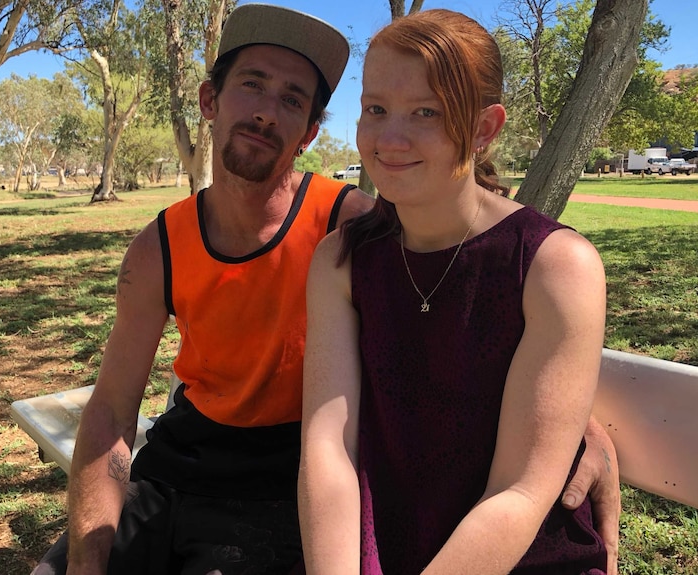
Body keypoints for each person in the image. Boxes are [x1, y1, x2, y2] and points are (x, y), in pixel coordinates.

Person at [32, 4, 619, 575]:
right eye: (252, 84)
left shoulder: (345, 224)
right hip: (193, 468)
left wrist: (573, 424)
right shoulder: (181, 248)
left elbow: (486, 337)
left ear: (312, 131)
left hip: (290, 488)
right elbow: (112, 408)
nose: (266, 112)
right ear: (210, 100)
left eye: (291, 100)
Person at [299, 9, 613, 575]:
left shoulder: (554, 267)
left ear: (483, 127)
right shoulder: (341, 261)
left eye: (427, 111)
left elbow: (519, 492)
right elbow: (329, 455)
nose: (389, 138)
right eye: (375, 109)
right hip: (385, 551)